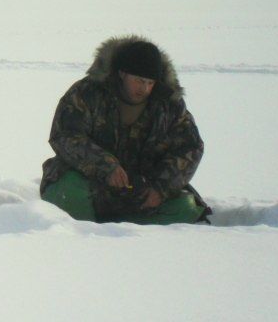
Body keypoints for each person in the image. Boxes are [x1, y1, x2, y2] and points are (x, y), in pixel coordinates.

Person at [40, 36, 211, 225]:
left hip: (141, 190)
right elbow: (64, 135)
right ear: (122, 74)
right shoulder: (88, 92)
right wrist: (105, 166)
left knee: (186, 208)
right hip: (90, 184)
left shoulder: (168, 105)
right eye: (139, 80)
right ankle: (91, 230)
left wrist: (161, 188)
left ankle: (128, 229)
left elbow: (191, 147)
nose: (144, 89)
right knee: (66, 193)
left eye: (150, 82)